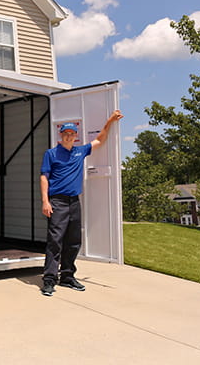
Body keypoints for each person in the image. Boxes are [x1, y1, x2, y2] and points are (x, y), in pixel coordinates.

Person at [39, 110, 123, 296]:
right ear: (61, 136)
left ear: (75, 137)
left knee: (74, 241)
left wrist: (109, 120)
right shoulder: (51, 154)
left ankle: (67, 277)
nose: (69, 137)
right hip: (57, 202)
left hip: (74, 202)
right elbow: (44, 177)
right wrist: (45, 201)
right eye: (66, 134)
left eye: (72, 134)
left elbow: (100, 140)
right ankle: (49, 280)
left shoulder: (80, 151)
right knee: (55, 241)